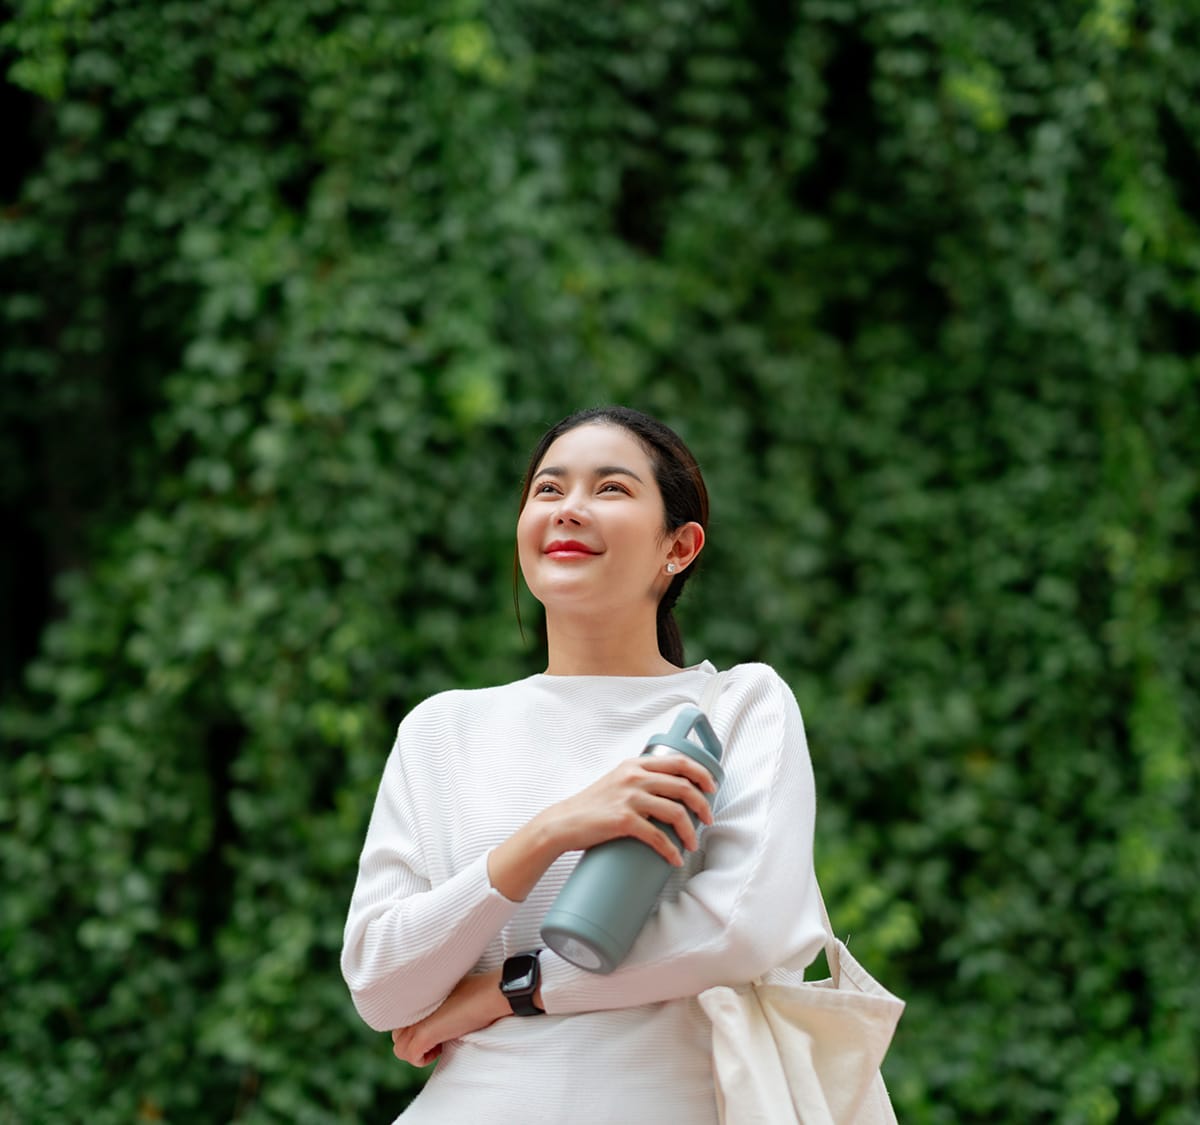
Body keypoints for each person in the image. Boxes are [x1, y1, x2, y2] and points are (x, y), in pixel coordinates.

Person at [340, 406, 826, 1124]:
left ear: (680, 547)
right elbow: (383, 987)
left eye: (610, 489)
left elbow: (740, 929)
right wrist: (548, 831)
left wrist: (513, 987)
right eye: (548, 489)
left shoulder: (736, 707)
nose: (569, 509)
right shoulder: (442, 729)